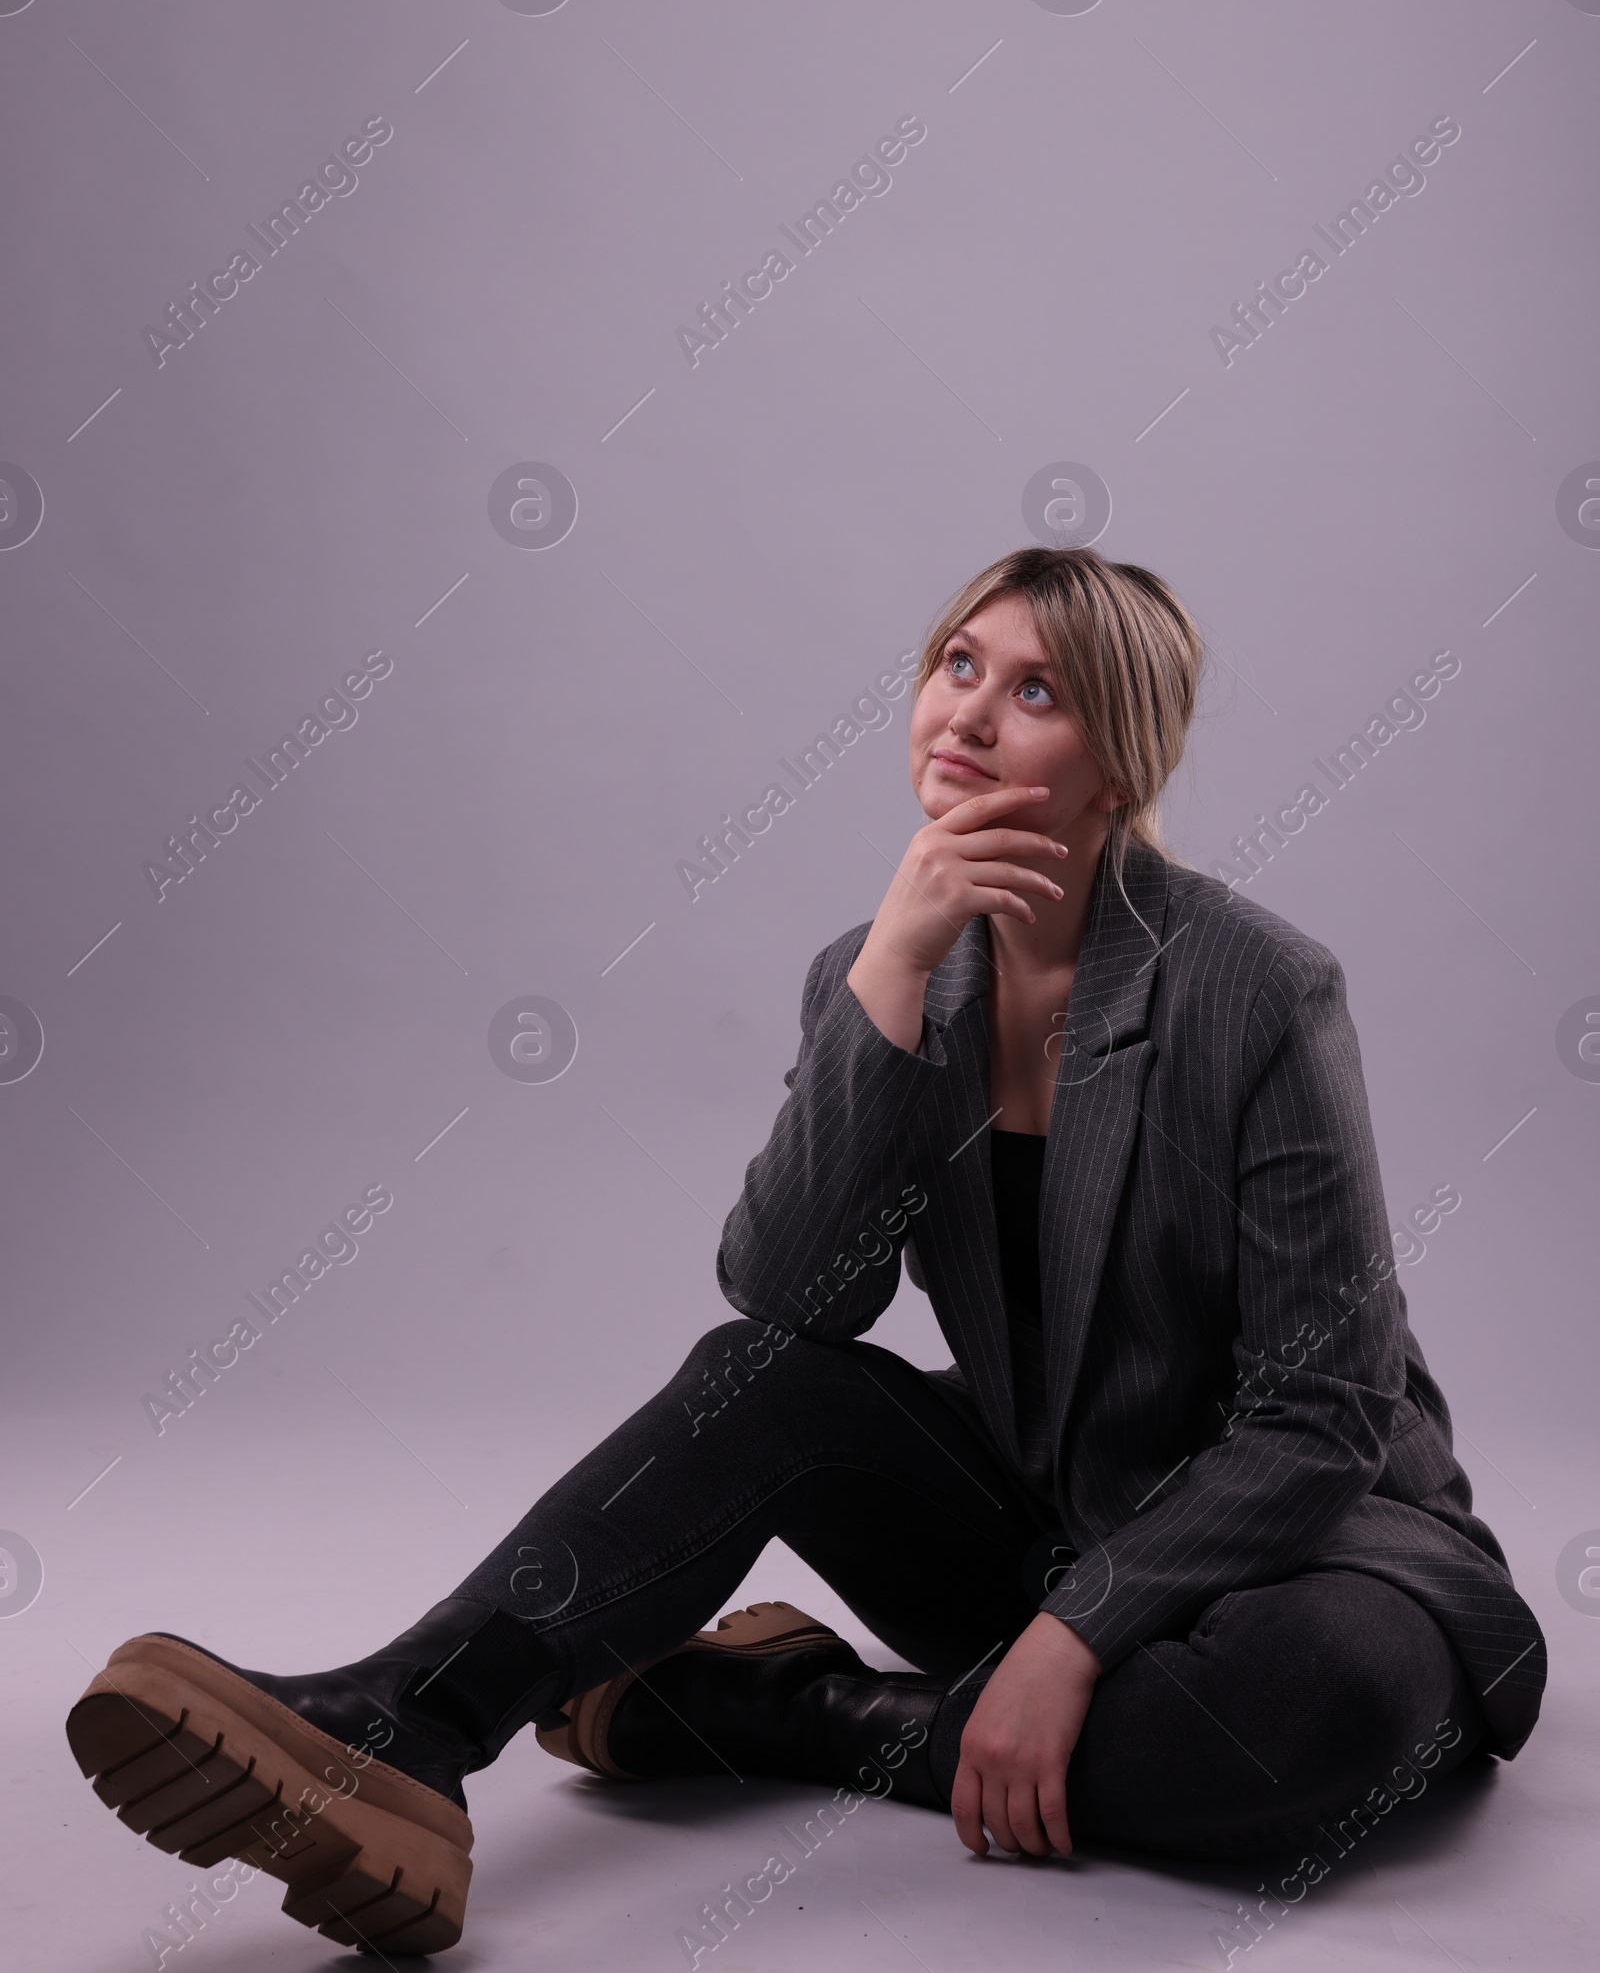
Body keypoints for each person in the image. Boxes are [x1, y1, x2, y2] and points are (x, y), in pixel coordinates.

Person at [66, 546, 1545, 1957]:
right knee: (750, 1381)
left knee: (1319, 1719)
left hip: (1316, 1551)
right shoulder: (880, 965)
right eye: (956, 662)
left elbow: (1321, 1416)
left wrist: (1073, 1638)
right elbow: (792, 1302)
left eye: (1035, 689)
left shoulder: (1259, 989)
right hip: (1038, 1515)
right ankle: (406, 1726)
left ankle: (794, 1714)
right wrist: (892, 977)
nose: (966, 706)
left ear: (1118, 766)